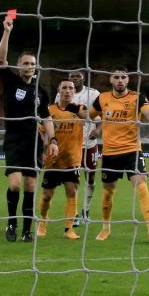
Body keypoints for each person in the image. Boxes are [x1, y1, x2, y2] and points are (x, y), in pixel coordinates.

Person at [0, 16, 58, 243]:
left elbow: (47, 117)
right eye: (25, 63)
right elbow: (0, 59)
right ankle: (11, 223)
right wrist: (7, 32)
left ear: (36, 66)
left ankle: (27, 229)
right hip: (13, 140)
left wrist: (52, 140)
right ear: (19, 65)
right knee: (14, 184)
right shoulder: (11, 82)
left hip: (33, 141)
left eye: (32, 64)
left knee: (31, 186)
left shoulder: (41, 92)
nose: (29, 67)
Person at [88, 65, 149, 242]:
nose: (120, 81)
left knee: (141, 185)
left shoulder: (137, 98)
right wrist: (99, 127)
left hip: (132, 150)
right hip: (110, 153)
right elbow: (91, 115)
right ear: (111, 80)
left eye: (123, 77)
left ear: (128, 80)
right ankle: (106, 228)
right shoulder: (102, 98)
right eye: (116, 77)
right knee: (108, 192)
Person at [38, 78, 92, 240]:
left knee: (72, 192)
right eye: (65, 88)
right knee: (47, 195)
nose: (68, 90)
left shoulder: (79, 109)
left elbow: (92, 117)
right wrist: (44, 148)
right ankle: (43, 222)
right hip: (53, 160)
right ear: (58, 90)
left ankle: (69, 229)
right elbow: (41, 130)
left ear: (74, 92)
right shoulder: (49, 110)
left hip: (72, 160)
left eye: (71, 88)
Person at [56, 69, 100, 227]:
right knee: (72, 180)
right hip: (71, 144)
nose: (74, 79)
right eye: (72, 77)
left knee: (91, 178)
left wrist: (98, 129)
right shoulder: (62, 94)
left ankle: (86, 210)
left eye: (78, 76)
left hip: (89, 144)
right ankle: (74, 214)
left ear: (84, 78)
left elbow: (101, 114)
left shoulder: (94, 94)